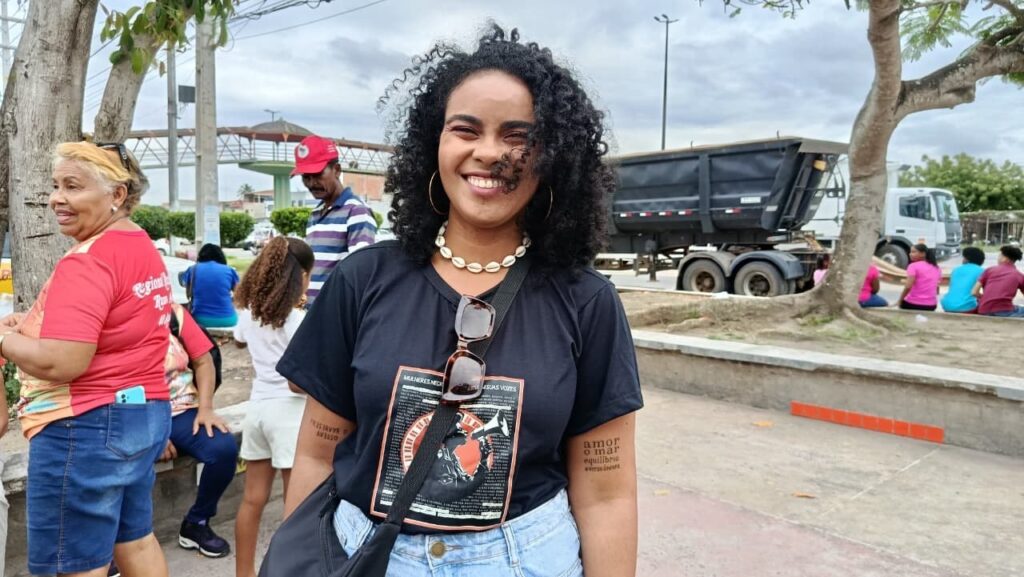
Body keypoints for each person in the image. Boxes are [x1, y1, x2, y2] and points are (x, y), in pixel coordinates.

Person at [276, 25, 643, 577]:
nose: (488, 152)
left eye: (517, 136)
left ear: (553, 157)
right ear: (435, 144)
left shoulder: (587, 303)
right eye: (465, 129)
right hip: (364, 557)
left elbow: (606, 491)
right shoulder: (362, 280)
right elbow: (315, 454)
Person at [0, 142, 172, 577]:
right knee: (135, 541)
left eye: (73, 186)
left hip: (84, 426)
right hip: (142, 414)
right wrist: (32, 324)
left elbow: (62, 361)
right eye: (56, 185)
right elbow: (116, 322)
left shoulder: (89, 260)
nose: (56, 198)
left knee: (72, 565)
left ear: (117, 194)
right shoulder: (138, 244)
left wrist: (3, 340)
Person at [233, 236, 314, 577]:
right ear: (301, 276)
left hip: (258, 410)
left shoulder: (250, 313)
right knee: (295, 506)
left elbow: (239, 339)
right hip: (290, 414)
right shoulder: (296, 319)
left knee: (252, 500)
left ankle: (243, 573)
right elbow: (305, 372)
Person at [161, 302, 237, 557]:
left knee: (222, 447)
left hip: (183, 408)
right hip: (133, 414)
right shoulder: (110, 316)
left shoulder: (174, 313)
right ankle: (112, 543)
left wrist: (205, 408)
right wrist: (152, 432)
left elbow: (203, 361)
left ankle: (197, 522)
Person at [292, 134, 377, 305]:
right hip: (311, 311)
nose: (312, 183)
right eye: (306, 177)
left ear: (337, 170)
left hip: (337, 312)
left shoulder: (356, 211)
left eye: (317, 174)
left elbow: (362, 272)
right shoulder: (315, 214)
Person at [181, 243, 239, 328]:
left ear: (200, 256)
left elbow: (188, 294)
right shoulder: (229, 270)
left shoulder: (192, 270)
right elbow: (239, 294)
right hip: (228, 319)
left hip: (200, 319)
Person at [973, 245, 1024, 317]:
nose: (998, 258)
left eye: (1000, 256)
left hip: (983, 310)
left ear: (1006, 259)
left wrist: (986, 299)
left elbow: (974, 292)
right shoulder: (1019, 275)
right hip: (1004, 311)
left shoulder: (989, 270)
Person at [940, 246, 986, 313]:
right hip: (966, 307)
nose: (962, 260)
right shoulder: (981, 271)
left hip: (946, 305)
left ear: (967, 259)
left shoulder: (956, 269)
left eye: (963, 257)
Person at [898, 243, 941, 311]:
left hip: (913, 304)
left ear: (922, 254)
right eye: (910, 252)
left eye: (913, 252)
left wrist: (900, 300)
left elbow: (908, 286)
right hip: (932, 305)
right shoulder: (937, 268)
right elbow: (937, 291)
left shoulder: (913, 266)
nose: (910, 254)